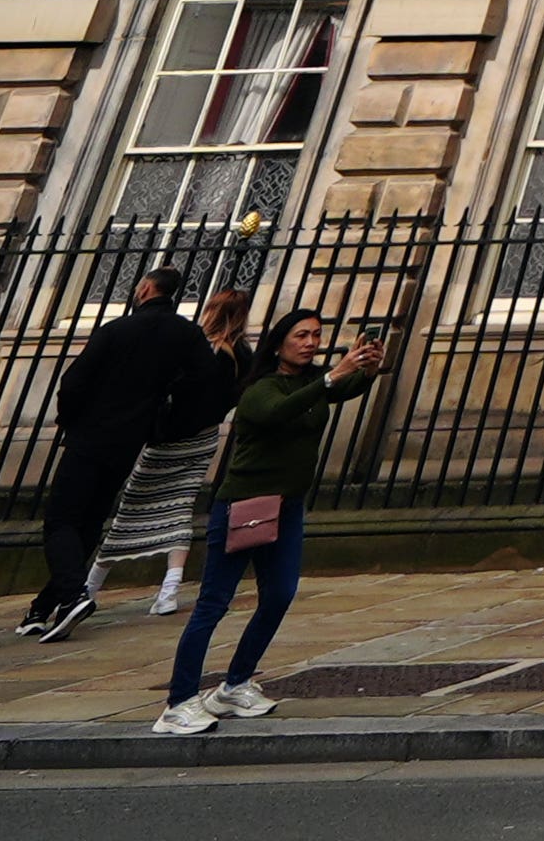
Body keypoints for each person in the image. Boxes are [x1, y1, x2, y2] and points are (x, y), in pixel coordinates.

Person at [156, 307, 389, 733]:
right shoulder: (260, 389)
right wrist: (332, 377)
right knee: (214, 603)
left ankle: (235, 684)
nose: (310, 343)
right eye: (301, 335)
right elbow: (278, 411)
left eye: (317, 335)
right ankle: (178, 701)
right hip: (244, 506)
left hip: (287, 506)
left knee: (279, 595)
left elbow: (336, 390)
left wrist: (367, 369)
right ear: (279, 342)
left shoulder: (309, 383)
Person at [20, 268, 205, 641]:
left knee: (61, 520)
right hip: (131, 440)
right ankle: (44, 606)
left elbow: (73, 382)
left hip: (90, 434)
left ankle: (73, 595)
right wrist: (165, 423)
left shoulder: (117, 330)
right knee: (89, 522)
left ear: (146, 289)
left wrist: (71, 418)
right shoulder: (187, 334)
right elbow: (205, 383)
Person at [107, 285, 254, 619]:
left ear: (211, 310)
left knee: (132, 503)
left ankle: (90, 583)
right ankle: (169, 590)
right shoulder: (243, 354)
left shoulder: (197, 347)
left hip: (171, 435)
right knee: (181, 507)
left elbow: (168, 386)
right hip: (204, 436)